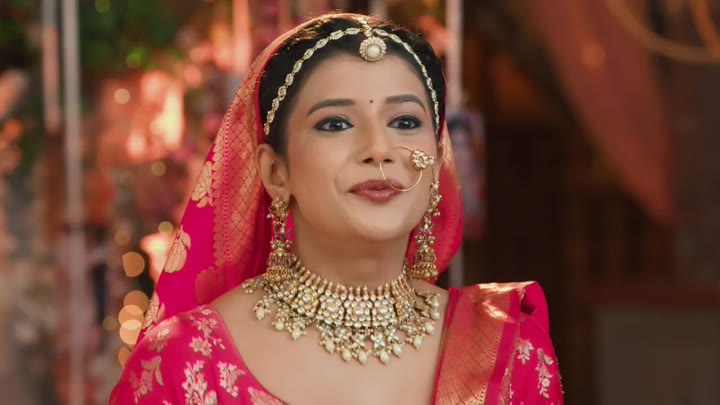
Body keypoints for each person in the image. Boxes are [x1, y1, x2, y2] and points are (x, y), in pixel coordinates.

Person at [111, 13, 562, 404]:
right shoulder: (184, 362)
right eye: (336, 124)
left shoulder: (509, 353)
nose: (379, 149)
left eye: (405, 121)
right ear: (275, 172)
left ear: (437, 161)